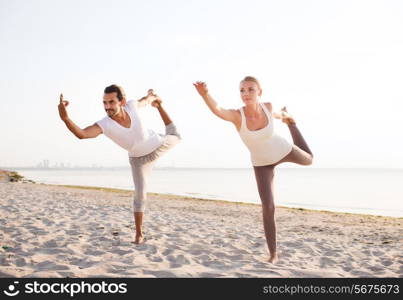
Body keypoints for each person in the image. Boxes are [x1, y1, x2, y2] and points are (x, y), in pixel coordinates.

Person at [193, 76, 313, 263]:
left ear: (259, 92)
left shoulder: (269, 107)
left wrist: (285, 117)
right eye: (242, 90)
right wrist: (205, 94)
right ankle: (273, 254)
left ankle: (293, 124)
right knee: (268, 207)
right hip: (262, 164)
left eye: (250, 89)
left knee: (309, 160)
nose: (246, 94)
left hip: (283, 150)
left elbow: (277, 115)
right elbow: (218, 110)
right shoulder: (237, 116)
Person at [58, 84, 181, 244]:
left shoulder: (131, 105)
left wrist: (154, 98)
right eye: (104, 103)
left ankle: (160, 107)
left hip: (158, 145)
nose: (107, 107)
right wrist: (65, 118)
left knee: (176, 135)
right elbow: (82, 134)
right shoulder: (104, 124)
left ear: (121, 102)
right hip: (139, 161)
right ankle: (139, 234)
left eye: (111, 102)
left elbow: (146, 100)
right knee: (140, 196)